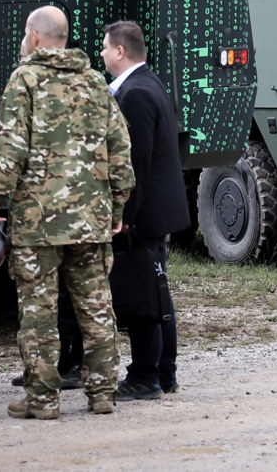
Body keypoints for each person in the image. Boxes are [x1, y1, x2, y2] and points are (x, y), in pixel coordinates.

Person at [0, 5, 135, 420]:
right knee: (97, 309)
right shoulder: (95, 82)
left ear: (34, 36)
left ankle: (43, 400)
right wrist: (117, 205)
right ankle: (103, 393)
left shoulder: (24, 81)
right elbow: (121, 151)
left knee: (39, 314)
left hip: (37, 225)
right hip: (92, 220)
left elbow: (9, 153)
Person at [102, 21, 192, 400]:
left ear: (121, 51)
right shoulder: (150, 83)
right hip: (157, 210)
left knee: (143, 297)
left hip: (143, 214)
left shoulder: (135, 94)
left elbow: (133, 165)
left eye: (105, 47)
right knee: (157, 295)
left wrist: (123, 216)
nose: (102, 53)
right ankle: (163, 371)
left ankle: (144, 376)